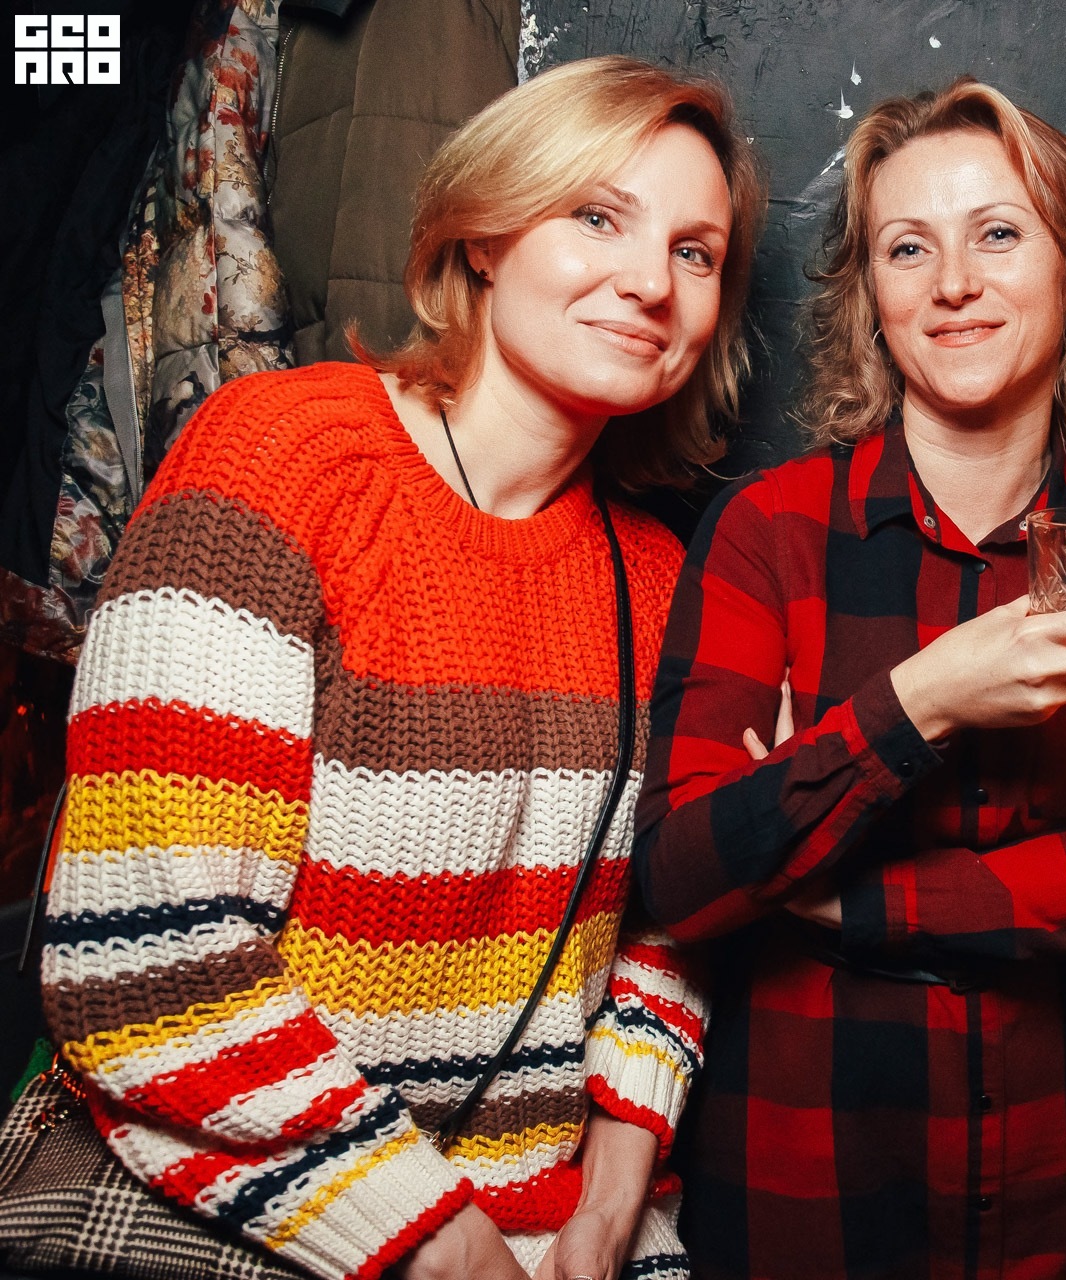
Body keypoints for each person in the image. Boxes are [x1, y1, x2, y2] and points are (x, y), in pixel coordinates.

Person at [39, 55, 764, 1280]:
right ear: (485, 235)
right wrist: (434, 1233)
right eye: (598, 216)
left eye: (695, 252)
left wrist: (612, 1198)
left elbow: (667, 934)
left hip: (565, 1228)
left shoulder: (663, 581)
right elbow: (145, 950)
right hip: (269, 1210)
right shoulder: (282, 461)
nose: (651, 281)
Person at [632, 77, 1066, 1279]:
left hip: (1063, 1193)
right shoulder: (773, 531)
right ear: (871, 298)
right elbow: (687, 873)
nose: (953, 283)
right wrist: (923, 701)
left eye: (998, 234)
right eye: (909, 247)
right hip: (805, 1187)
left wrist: (848, 896)